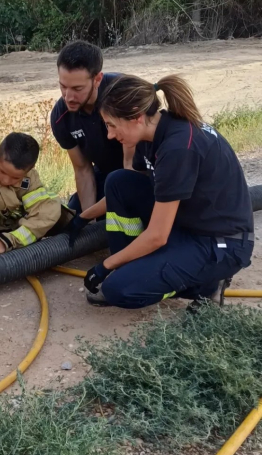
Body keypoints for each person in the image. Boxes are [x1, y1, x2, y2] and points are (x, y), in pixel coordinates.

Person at [80, 74, 254, 309]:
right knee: (119, 181)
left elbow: (157, 235)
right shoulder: (153, 135)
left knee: (119, 290)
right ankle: (135, 266)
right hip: (189, 224)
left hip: (220, 244)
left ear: (136, 117)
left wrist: (105, 266)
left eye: (112, 125)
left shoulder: (178, 148)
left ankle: (208, 285)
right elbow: (131, 188)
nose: (110, 134)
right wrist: (82, 218)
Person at [51, 40, 135, 241]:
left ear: (97, 79)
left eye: (77, 88)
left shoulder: (123, 95)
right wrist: (87, 221)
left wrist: (96, 213)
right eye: (63, 86)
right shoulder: (60, 116)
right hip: (104, 173)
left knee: (123, 219)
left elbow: (130, 171)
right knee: (72, 217)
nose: (68, 96)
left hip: (140, 172)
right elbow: (82, 169)